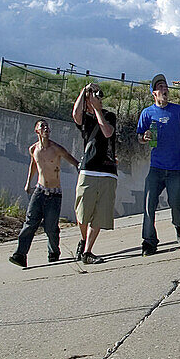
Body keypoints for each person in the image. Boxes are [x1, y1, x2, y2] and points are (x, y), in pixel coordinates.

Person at [136, 74, 180, 255]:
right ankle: (149, 241)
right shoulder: (147, 113)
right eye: (160, 87)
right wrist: (144, 137)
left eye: (165, 86)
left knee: (175, 204)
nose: (164, 89)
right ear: (154, 93)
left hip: (177, 168)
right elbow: (139, 137)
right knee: (149, 202)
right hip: (156, 167)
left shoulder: (178, 111)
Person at [9, 120, 78, 268]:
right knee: (30, 223)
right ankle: (20, 254)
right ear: (36, 131)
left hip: (55, 194)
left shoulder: (56, 149)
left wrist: (81, 168)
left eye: (47, 126)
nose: (46, 128)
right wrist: (28, 183)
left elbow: (72, 160)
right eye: (42, 126)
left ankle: (53, 252)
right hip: (39, 191)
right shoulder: (33, 149)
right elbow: (34, 164)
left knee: (50, 227)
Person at [71, 83, 117, 264]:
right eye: (91, 96)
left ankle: (87, 252)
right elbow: (75, 114)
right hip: (88, 169)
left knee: (100, 214)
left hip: (107, 171)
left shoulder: (109, 116)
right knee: (82, 213)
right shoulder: (85, 119)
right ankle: (83, 241)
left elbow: (107, 132)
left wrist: (98, 110)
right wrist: (84, 90)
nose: (95, 98)